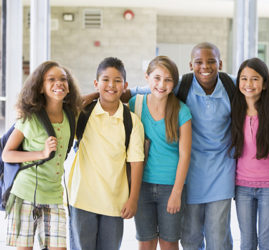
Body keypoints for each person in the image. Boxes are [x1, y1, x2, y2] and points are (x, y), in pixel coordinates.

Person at [129, 42, 236, 250]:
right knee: (190, 237)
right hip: (188, 175)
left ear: (220, 63)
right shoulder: (179, 86)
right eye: (199, 62)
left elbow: (259, 93)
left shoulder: (231, 85)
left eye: (211, 61)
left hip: (218, 171)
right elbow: (138, 90)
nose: (205, 66)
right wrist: (94, 95)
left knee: (217, 236)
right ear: (190, 65)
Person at [2, 61, 81, 250]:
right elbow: (7, 154)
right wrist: (42, 153)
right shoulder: (30, 118)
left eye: (63, 79)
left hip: (54, 196)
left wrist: (101, 92)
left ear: (69, 87)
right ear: (41, 88)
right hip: (25, 194)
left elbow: (84, 101)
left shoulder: (71, 115)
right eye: (51, 79)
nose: (59, 83)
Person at [68, 57, 145, 250]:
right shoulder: (83, 113)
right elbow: (59, 109)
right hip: (82, 200)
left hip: (114, 203)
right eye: (105, 80)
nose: (111, 85)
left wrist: (133, 199)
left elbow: (136, 162)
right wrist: (89, 97)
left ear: (125, 85)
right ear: (96, 83)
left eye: (117, 81)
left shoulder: (132, 121)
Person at [129, 56, 192, 250]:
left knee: (169, 242)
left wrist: (176, 192)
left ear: (174, 83)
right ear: (147, 77)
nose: (161, 85)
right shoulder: (135, 105)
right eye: (157, 78)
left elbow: (185, 155)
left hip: (171, 187)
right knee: (145, 242)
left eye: (168, 80)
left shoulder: (182, 111)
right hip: (142, 185)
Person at [230, 58, 269, 250]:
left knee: (267, 241)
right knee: (247, 242)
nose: (249, 84)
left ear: (265, 83)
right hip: (242, 185)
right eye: (244, 78)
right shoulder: (234, 108)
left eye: (255, 79)